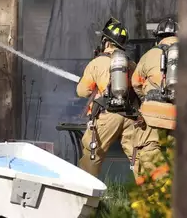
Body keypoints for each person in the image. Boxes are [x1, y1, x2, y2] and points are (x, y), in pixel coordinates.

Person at [76, 18, 162, 181]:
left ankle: (85, 194)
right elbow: (139, 87)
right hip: (130, 116)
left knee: (92, 155)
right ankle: (150, 193)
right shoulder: (131, 64)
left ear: (106, 43)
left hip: (107, 115)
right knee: (138, 155)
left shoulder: (97, 62)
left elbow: (82, 91)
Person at [130, 17, 179, 184]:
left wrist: (145, 99)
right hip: (180, 114)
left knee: (149, 151)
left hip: (152, 114)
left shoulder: (150, 54)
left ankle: (163, 186)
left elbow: (135, 83)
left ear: (158, 37)